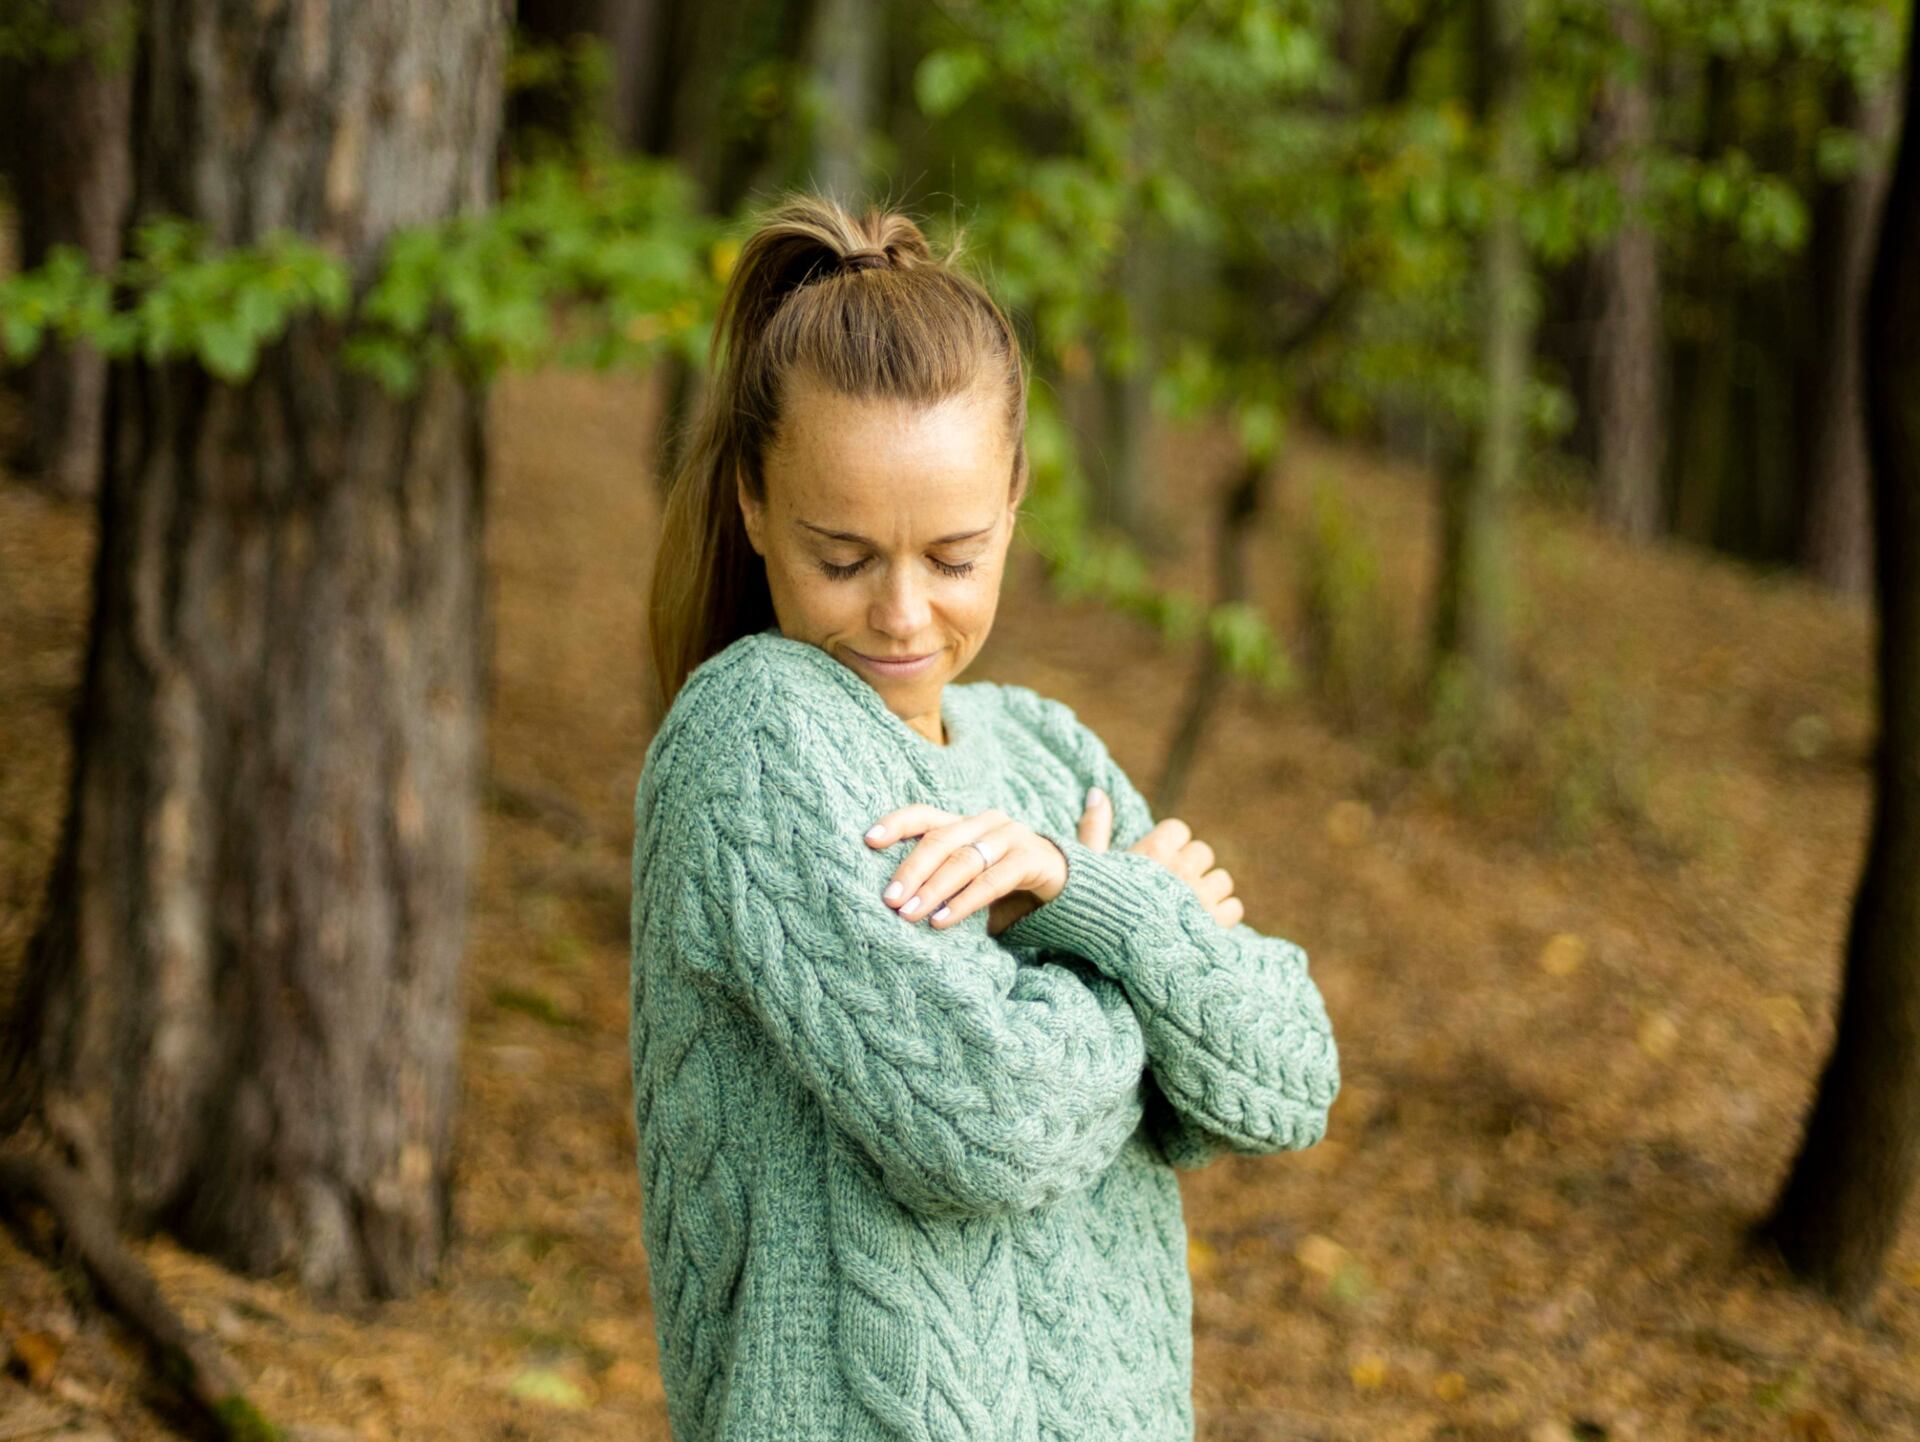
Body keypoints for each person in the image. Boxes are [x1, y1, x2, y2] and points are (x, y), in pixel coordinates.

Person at [630, 193, 1340, 1442]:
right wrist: (1144, 946)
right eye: (843, 558)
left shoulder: (1046, 750)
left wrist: (1089, 896)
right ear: (753, 503)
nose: (903, 614)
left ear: (1014, 499)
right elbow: (986, 1120)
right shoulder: (757, 737)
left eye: (953, 557)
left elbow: (1284, 1082)